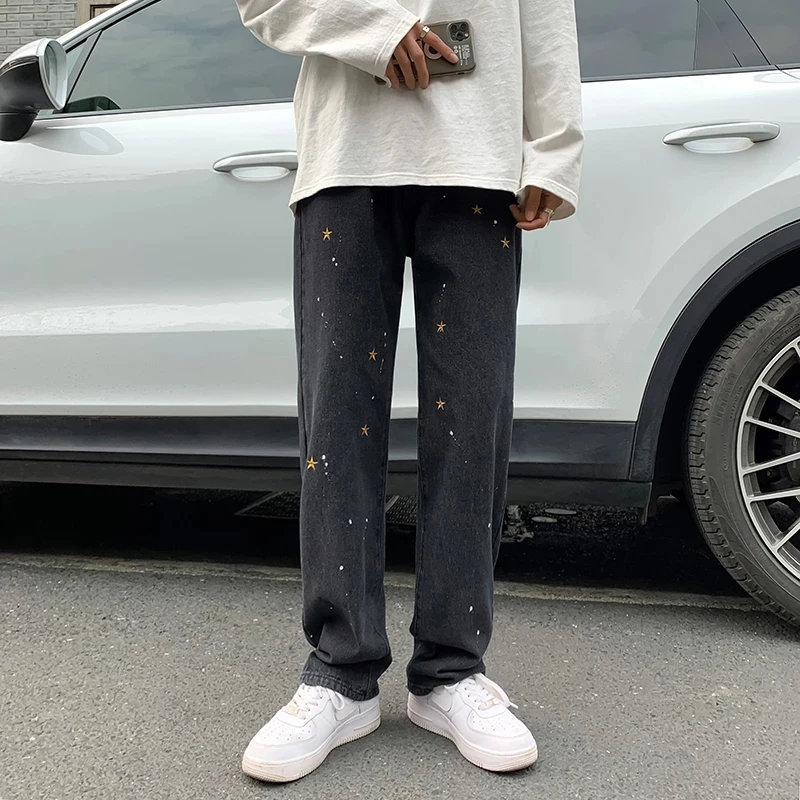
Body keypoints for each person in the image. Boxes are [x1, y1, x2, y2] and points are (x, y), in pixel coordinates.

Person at [235, 0, 584, 782]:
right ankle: (341, 670)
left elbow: (546, 13)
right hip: (345, 153)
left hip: (481, 157)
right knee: (336, 419)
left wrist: (554, 149)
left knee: (473, 419)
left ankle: (452, 671)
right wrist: (372, 28)